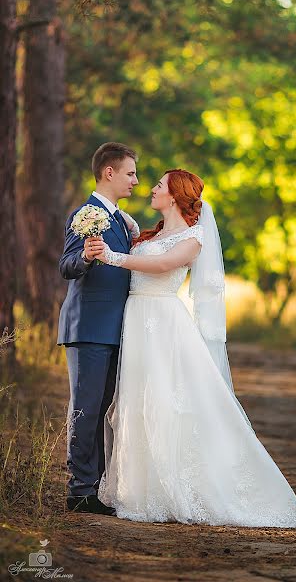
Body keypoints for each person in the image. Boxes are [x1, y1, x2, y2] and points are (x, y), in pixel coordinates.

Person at [91, 168, 296, 527]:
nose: (151, 188)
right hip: (137, 319)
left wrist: (114, 258)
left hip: (163, 321)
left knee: (169, 400)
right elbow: (147, 252)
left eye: (159, 185)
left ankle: (179, 486)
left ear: (175, 195)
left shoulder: (194, 238)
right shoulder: (153, 232)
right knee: (138, 399)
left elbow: (164, 264)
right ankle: (142, 488)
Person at [57, 142, 139, 515]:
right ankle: (79, 491)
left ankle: (95, 487)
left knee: (104, 409)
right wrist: (86, 257)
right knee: (86, 409)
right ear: (110, 172)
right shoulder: (87, 214)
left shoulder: (122, 219)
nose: (136, 181)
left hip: (115, 329)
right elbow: (67, 265)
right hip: (89, 327)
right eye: (130, 173)